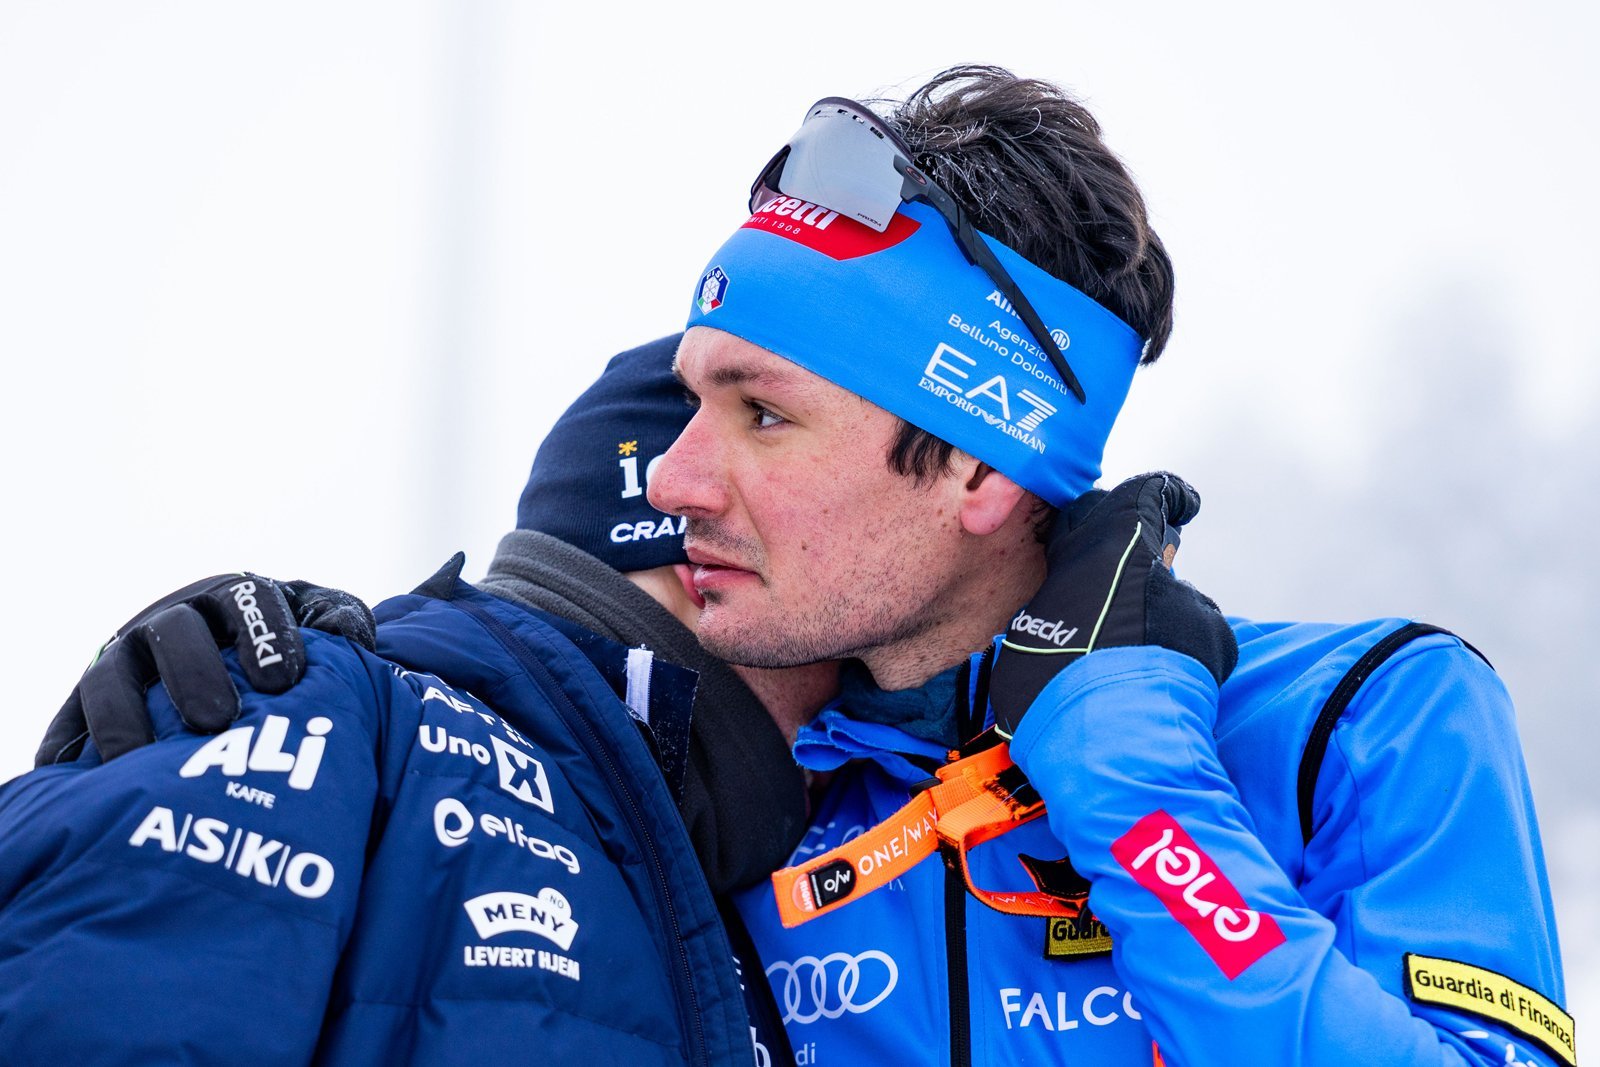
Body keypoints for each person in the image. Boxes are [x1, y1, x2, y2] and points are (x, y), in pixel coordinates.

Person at [640, 68, 1572, 1067]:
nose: (667, 479)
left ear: (979, 463)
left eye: (764, 414)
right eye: (692, 404)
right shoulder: (735, 790)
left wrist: (1133, 779)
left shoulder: (1363, 720)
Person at [0, 335, 835, 1065]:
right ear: (702, 561)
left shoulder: (714, 894)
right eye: (843, 664)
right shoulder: (312, 718)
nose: (849, 713)